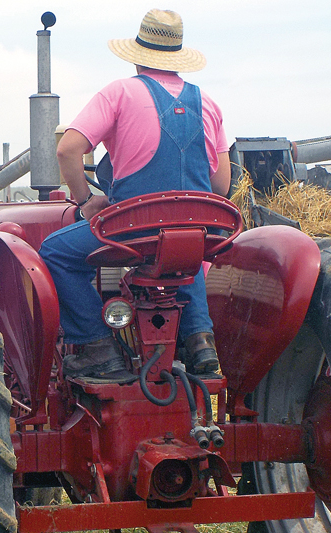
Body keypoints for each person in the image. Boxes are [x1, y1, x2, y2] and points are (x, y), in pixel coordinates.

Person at [40, 8, 231, 381]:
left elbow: (67, 150)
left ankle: (97, 347)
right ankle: (200, 343)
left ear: (136, 56)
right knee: (182, 242)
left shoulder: (120, 92)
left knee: (56, 253)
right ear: (177, 58)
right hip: (197, 231)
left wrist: (85, 201)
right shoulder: (208, 103)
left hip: (135, 229)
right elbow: (221, 185)